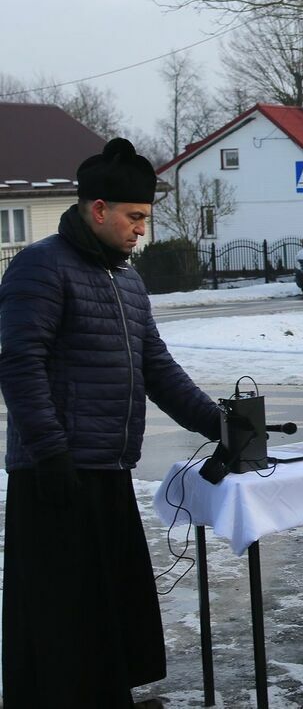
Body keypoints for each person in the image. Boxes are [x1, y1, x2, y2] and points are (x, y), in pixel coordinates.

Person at [1, 138, 229, 707]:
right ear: (97, 209)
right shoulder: (41, 266)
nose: (140, 230)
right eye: (133, 218)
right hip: (55, 474)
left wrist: (221, 425)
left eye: (145, 219)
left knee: (104, 606)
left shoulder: (125, 279)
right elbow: (18, 361)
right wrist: (49, 451)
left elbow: (158, 368)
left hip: (106, 468)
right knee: (61, 614)